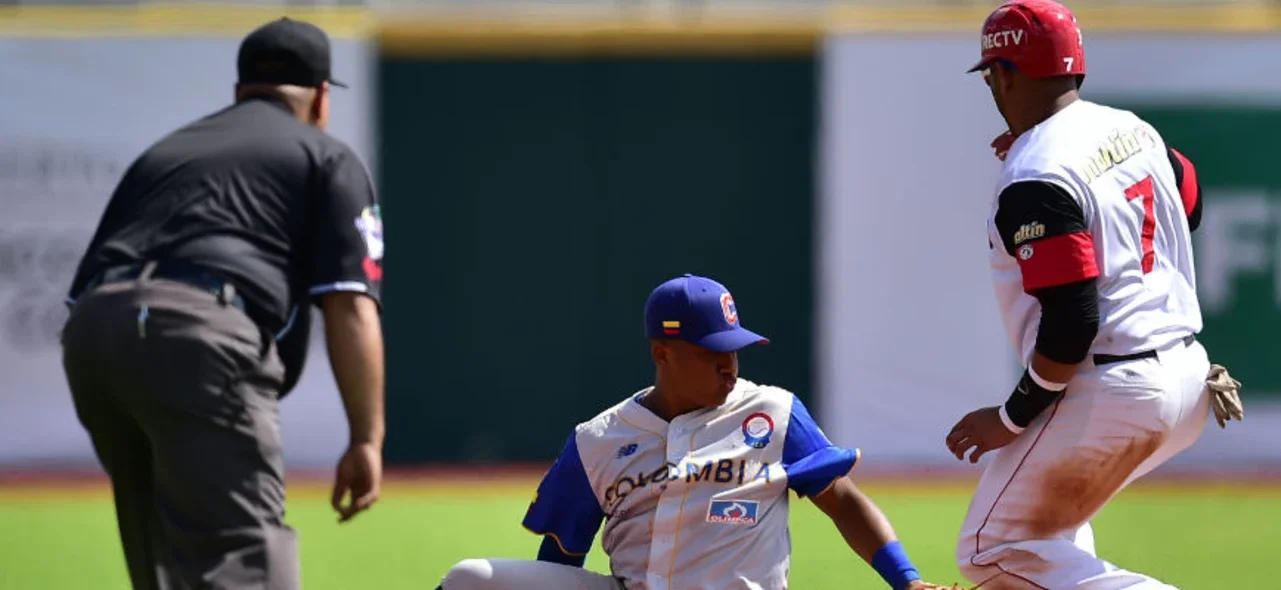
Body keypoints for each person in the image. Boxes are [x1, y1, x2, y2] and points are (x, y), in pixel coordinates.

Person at [60, 17, 386, 590]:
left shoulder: (169, 150)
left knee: (164, 561)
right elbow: (351, 305)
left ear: (239, 91)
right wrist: (366, 438)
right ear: (321, 99)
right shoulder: (325, 156)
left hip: (95, 333)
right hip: (197, 331)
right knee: (246, 557)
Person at [945, 1, 1245, 588]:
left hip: (1112, 390)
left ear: (1004, 73)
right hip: (1186, 374)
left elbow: (1072, 322)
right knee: (1047, 539)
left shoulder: (1037, 173)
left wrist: (1009, 419)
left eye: (990, 74)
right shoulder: (1129, 126)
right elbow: (1191, 205)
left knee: (991, 550)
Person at [436, 274, 956, 590]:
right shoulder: (598, 440)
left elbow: (842, 501)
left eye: (734, 349)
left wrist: (906, 580)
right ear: (661, 354)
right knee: (470, 580)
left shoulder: (772, 413)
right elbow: (559, 565)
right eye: (711, 353)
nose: (729, 365)